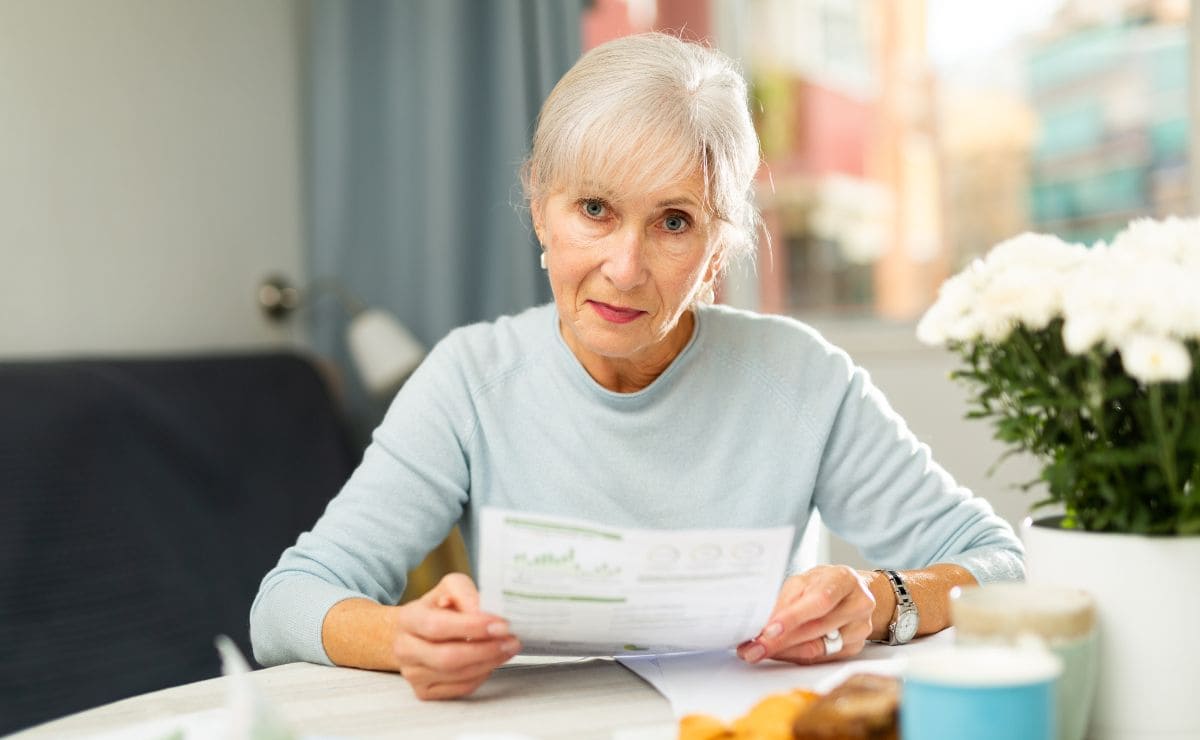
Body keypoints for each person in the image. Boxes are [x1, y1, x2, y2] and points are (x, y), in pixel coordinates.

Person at [250, 32, 1023, 701]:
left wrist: (883, 598)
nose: (624, 267)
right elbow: (285, 605)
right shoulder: (469, 378)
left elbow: (1004, 564)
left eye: (674, 222)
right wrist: (400, 637)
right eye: (595, 209)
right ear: (540, 208)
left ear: (720, 248)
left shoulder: (801, 377)